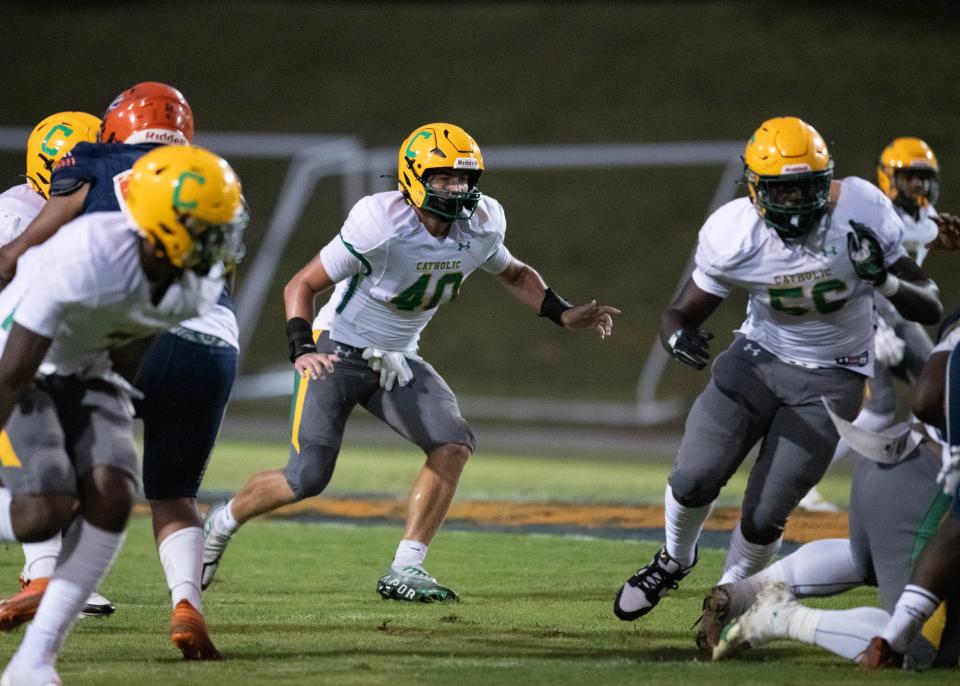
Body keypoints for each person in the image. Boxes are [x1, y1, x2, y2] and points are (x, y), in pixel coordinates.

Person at [202, 122, 619, 602]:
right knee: (306, 477)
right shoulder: (382, 223)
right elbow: (301, 284)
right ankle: (223, 520)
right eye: (443, 178)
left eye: (463, 179)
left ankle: (407, 567)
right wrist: (303, 348)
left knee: (453, 442)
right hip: (338, 348)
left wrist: (562, 313)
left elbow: (514, 272)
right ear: (414, 176)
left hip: (398, 358)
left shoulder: (481, 224)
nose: (456, 188)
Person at [613, 116, 943, 623]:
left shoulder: (861, 207)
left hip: (834, 377)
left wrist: (886, 281)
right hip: (756, 361)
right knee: (693, 477)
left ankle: (731, 597)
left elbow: (929, 305)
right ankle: (674, 559)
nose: (794, 202)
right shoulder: (733, 231)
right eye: (781, 191)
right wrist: (676, 335)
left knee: (766, 514)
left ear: (825, 180)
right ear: (756, 189)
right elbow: (679, 312)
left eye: (806, 187)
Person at [0, 83, 237, 660]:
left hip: (99, 350)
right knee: (45, 507)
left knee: (110, 492)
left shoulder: (193, 279)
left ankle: (36, 657)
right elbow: (18, 361)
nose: (215, 241)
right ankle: (45, 562)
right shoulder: (80, 256)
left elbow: (138, 340)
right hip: (41, 347)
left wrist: (108, 397)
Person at [705, 314, 960, 669]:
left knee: (868, 562)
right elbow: (928, 396)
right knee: (918, 652)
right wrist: (898, 635)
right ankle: (783, 618)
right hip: (923, 486)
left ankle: (745, 592)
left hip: (890, 462)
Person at [0, 111, 118, 620]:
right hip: (12, 354)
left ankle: (52, 575)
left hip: (49, 354)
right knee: (41, 474)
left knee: (64, 464)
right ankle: (48, 573)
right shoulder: (14, 214)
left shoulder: (78, 211)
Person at [801, 137, 956, 513]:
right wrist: (876, 327)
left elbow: (925, 239)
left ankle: (929, 475)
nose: (917, 186)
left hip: (896, 310)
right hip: (865, 311)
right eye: (909, 177)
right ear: (888, 177)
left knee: (930, 392)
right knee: (896, 401)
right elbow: (854, 273)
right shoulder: (877, 214)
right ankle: (803, 480)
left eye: (923, 177)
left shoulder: (921, 216)